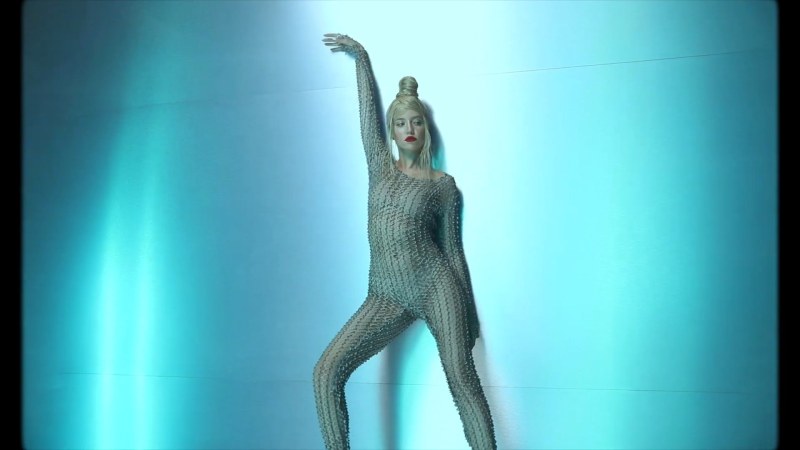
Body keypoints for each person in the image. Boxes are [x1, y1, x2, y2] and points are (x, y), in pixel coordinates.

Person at [313, 33, 496, 450]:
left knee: (462, 378)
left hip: (436, 287)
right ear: (392, 131)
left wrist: (468, 314)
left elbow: (453, 251)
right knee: (326, 372)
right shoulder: (380, 168)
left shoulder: (443, 186)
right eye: (400, 123)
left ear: (425, 128)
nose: (409, 129)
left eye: (416, 122)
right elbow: (366, 117)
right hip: (384, 295)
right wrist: (361, 59)